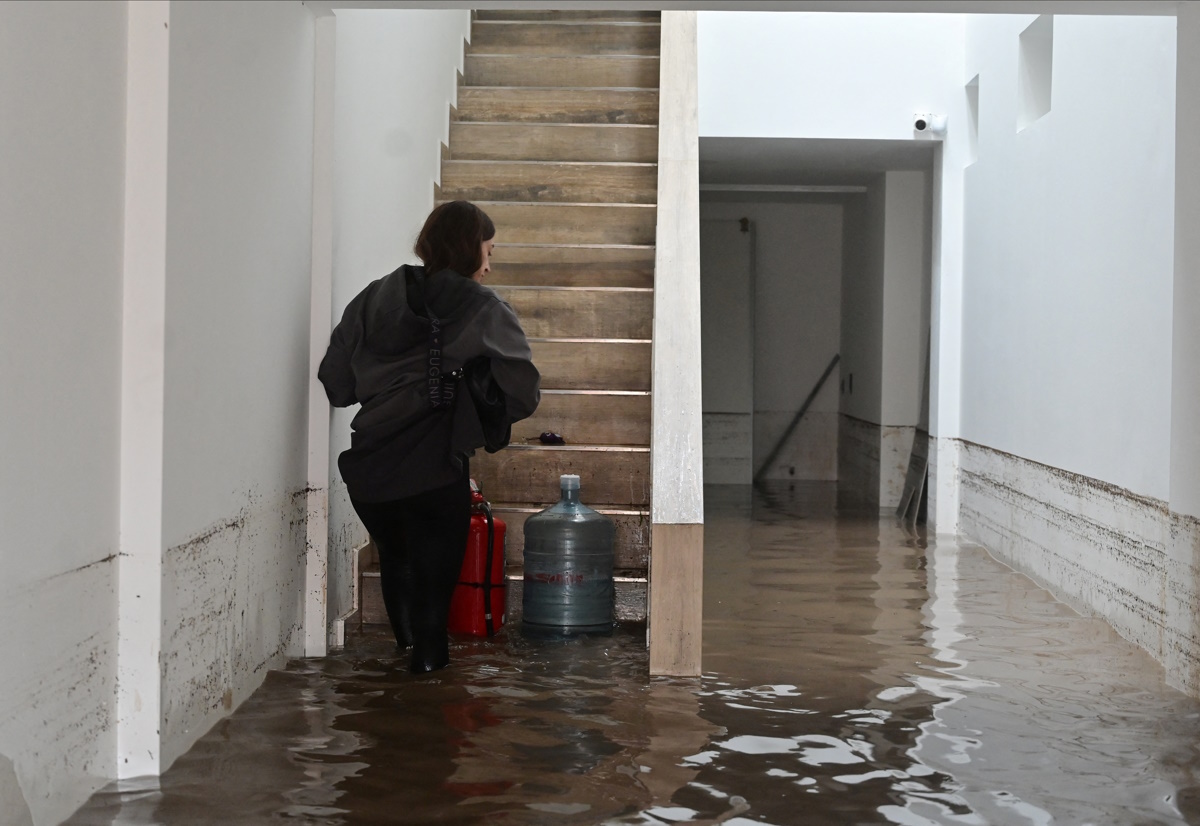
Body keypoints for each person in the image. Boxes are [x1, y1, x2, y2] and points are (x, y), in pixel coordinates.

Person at [318, 201, 540, 673]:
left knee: (397, 560)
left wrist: (388, 385)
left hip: (371, 469)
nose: (488, 264)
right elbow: (523, 391)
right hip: (434, 469)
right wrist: (474, 400)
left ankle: (395, 694)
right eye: (488, 251)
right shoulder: (484, 307)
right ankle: (425, 714)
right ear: (470, 250)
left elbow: (336, 384)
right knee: (433, 623)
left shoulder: (375, 295)